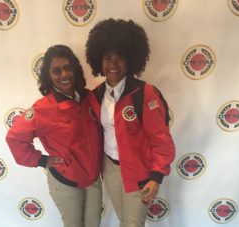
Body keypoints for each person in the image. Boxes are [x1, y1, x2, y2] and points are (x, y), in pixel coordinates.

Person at [85, 18, 176, 227]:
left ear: (132, 60)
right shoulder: (96, 95)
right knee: (125, 221)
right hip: (110, 170)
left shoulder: (145, 94)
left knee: (133, 224)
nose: (113, 65)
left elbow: (161, 140)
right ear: (98, 60)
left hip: (140, 172)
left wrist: (156, 177)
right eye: (107, 58)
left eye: (120, 58)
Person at [6, 45, 103, 227]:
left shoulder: (88, 98)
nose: (64, 74)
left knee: (93, 224)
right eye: (56, 71)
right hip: (66, 180)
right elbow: (14, 138)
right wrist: (41, 160)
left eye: (68, 68)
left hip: (92, 178)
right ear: (48, 76)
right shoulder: (43, 109)